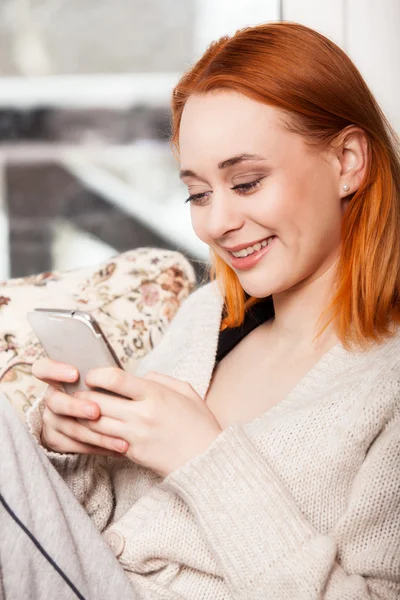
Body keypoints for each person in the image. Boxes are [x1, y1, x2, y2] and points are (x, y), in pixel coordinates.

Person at [1, 20, 400, 600]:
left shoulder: (385, 384)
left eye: (246, 181)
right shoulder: (207, 316)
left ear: (347, 161)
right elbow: (97, 529)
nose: (215, 224)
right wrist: (71, 449)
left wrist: (203, 459)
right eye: (198, 192)